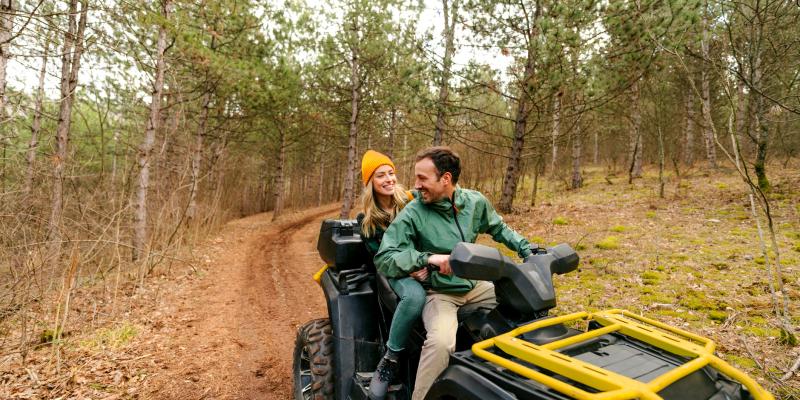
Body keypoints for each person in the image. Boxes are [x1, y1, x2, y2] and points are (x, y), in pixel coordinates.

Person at [374, 146, 533, 400]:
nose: (415, 185)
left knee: (524, 308)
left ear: (445, 179)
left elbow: (500, 229)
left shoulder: (474, 202)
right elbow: (385, 257)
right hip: (441, 293)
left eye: (422, 179)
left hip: (476, 286)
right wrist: (428, 258)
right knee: (440, 344)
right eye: (416, 178)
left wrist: (529, 250)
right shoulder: (414, 212)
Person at [356, 150, 427, 400]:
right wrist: (411, 269)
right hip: (395, 271)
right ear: (370, 183)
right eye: (380, 175)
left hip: (426, 260)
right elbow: (382, 259)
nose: (388, 179)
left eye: (391, 173)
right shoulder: (367, 221)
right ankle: (390, 359)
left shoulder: (412, 200)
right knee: (415, 298)